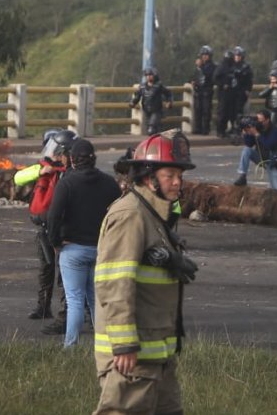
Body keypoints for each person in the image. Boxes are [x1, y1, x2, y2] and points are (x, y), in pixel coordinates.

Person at [94, 131, 198, 415]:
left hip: (157, 354)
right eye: (169, 175)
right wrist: (124, 343)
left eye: (180, 175)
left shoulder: (153, 215)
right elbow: (114, 283)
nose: (177, 182)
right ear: (148, 177)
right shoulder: (130, 215)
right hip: (133, 358)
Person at [46, 138, 122, 349]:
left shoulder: (67, 183)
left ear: (72, 159)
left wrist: (55, 242)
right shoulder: (109, 183)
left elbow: (53, 216)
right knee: (96, 300)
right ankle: (105, 347)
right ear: (93, 158)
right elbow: (120, 214)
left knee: (75, 300)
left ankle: (71, 346)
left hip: (72, 249)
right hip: (102, 250)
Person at [14, 129, 75, 324]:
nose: (53, 154)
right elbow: (18, 177)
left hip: (64, 229)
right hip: (44, 228)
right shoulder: (44, 167)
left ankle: (67, 312)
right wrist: (40, 172)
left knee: (65, 272)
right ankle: (43, 307)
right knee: (46, 269)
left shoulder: (72, 173)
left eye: (57, 151)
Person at [233, 110, 277, 192]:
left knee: (276, 189)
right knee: (246, 150)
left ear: (267, 120)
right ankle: (242, 175)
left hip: (273, 161)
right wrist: (247, 133)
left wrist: (257, 134)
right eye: (257, 120)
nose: (258, 122)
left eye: (261, 120)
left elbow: (269, 145)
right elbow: (249, 144)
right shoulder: (257, 128)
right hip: (260, 158)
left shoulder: (276, 130)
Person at [131, 68, 173, 135]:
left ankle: (155, 135)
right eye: (147, 75)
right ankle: (156, 139)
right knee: (153, 130)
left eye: (150, 75)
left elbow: (168, 93)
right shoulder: (142, 86)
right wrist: (133, 102)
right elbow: (137, 96)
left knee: (152, 128)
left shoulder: (158, 85)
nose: (148, 77)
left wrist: (169, 102)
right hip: (146, 110)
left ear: (154, 76)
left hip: (157, 110)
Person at [190, 46, 215, 135]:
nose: (204, 56)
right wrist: (192, 81)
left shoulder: (212, 66)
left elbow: (208, 76)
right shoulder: (199, 66)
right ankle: (198, 128)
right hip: (198, 91)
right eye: (203, 54)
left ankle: (205, 129)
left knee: (206, 110)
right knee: (198, 110)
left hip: (207, 91)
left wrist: (200, 67)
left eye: (206, 54)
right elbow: (193, 76)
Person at [213, 49, 236, 137]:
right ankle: (220, 130)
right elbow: (215, 78)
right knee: (222, 112)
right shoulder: (221, 67)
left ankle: (225, 130)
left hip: (231, 93)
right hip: (223, 94)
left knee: (229, 113)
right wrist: (222, 85)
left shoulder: (233, 67)